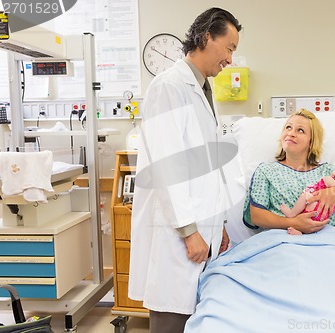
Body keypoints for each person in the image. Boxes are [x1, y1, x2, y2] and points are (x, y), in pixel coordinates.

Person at [128, 8, 242, 333]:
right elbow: (168, 167)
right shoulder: (169, 87)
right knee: (170, 321)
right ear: (207, 37)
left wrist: (218, 223)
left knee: (192, 319)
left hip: (200, 228)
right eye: (230, 48)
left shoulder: (203, 92)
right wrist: (190, 231)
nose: (230, 59)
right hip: (178, 235)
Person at [243, 109, 335, 235]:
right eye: (288, 127)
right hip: (287, 239)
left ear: (312, 141)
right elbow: (257, 216)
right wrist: (293, 223)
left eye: (300, 130)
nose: (291, 133)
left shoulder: (330, 171)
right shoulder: (266, 171)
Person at [281, 167, 335, 235]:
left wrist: (330, 178)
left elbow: (328, 182)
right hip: (321, 214)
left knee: (305, 197)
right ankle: (299, 231)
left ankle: (292, 214)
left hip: (317, 206)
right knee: (307, 219)